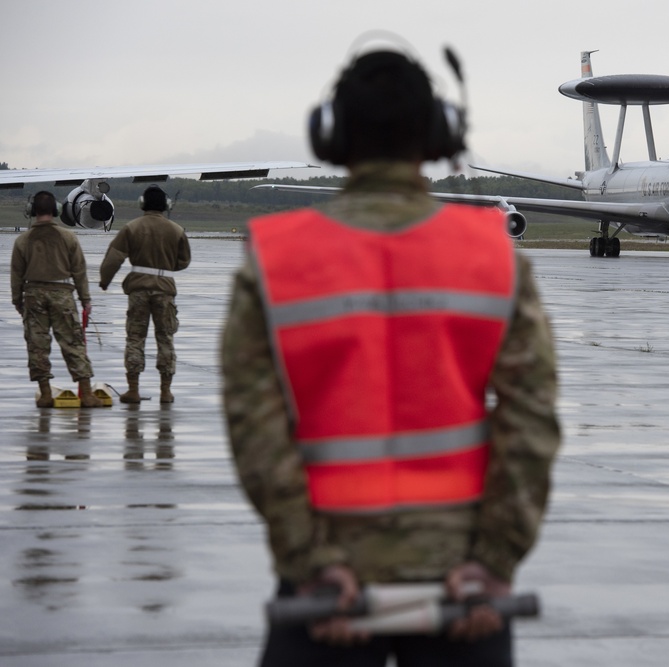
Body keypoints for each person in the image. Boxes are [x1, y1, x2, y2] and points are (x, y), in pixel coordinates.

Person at [221, 47, 561, 667]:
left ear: (333, 136)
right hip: (463, 585)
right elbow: (531, 422)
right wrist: (493, 561)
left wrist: (312, 565)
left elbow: (255, 432)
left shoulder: (275, 261)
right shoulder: (495, 258)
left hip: (328, 589)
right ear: (438, 136)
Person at [99, 184, 191, 404]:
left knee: (135, 338)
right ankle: (166, 391)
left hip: (138, 289)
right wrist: (165, 269)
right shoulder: (176, 230)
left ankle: (133, 389)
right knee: (165, 338)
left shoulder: (132, 228)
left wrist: (105, 281)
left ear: (142, 204)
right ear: (165, 205)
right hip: (165, 291)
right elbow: (184, 261)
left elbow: (114, 257)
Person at [11, 190, 103, 408]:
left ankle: (45, 394)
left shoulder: (23, 240)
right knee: (73, 343)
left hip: (33, 296)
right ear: (57, 211)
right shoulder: (68, 237)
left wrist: (18, 301)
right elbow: (79, 271)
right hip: (62, 295)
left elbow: (16, 274)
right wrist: (86, 301)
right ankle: (87, 394)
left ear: (32, 211)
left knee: (37, 347)